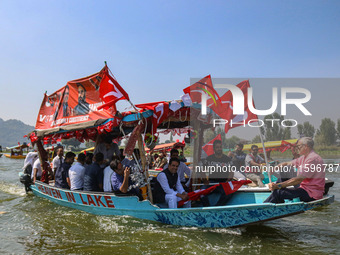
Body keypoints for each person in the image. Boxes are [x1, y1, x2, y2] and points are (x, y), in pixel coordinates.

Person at [264, 137, 326, 203]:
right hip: (303, 187)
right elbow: (287, 163)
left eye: (298, 146)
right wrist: (275, 168)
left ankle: (269, 203)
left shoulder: (312, 159)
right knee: (285, 170)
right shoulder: (303, 157)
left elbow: (299, 179)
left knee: (279, 193)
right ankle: (277, 196)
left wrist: (278, 186)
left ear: (305, 146)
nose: (297, 148)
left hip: (311, 193)